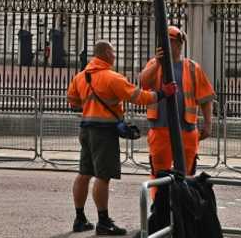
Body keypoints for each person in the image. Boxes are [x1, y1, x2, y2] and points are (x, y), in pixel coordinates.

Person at [67, 40, 176, 235]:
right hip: (105, 132)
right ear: (107, 53)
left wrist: (90, 108)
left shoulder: (80, 77)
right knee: (103, 176)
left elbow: (73, 101)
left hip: (85, 129)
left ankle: (79, 218)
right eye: (113, 52)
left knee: (84, 174)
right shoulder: (112, 77)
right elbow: (140, 97)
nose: (115, 56)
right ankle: (103, 221)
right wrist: (162, 93)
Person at [138, 25, 215, 180]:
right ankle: (160, 204)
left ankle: (181, 203)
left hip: (186, 130)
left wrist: (208, 124)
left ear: (180, 44)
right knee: (159, 175)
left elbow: (205, 98)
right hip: (160, 129)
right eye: (165, 40)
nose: (166, 44)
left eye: (171, 41)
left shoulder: (193, 68)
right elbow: (143, 83)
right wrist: (159, 63)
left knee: (186, 175)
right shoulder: (154, 64)